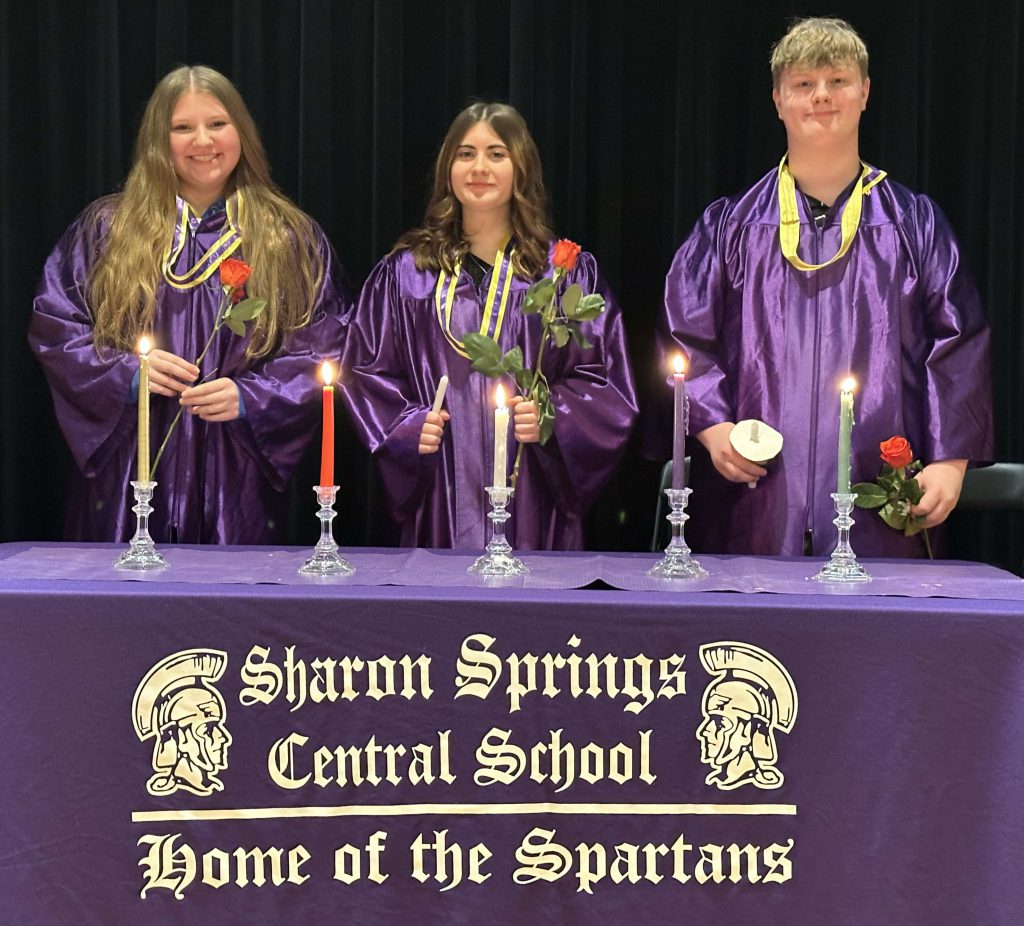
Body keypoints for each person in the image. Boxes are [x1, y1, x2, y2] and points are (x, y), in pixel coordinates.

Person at [662, 17, 992, 557]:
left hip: (882, 490)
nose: (821, 97)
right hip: (756, 493)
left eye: (838, 81)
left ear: (865, 92)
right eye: (803, 84)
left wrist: (950, 461)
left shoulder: (914, 223)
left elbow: (958, 341)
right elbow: (686, 335)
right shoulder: (730, 227)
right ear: (777, 99)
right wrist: (712, 428)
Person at [30, 66, 349, 544]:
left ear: (241, 130)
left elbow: (325, 343)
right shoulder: (109, 230)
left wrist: (251, 396)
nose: (203, 140)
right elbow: (57, 326)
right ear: (159, 139)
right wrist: (127, 373)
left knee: (229, 609)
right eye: (182, 127)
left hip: (236, 475)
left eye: (218, 123)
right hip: (129, 466)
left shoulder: (287, 238)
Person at [341, 102, 637, 549]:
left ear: (521, 167)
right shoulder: (406, 275)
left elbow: (607, 381)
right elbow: (363, 371)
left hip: (531, 493)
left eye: (496, 154)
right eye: (466, 154)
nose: (479, 167)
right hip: (441, 487)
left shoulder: (562, 274)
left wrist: (553, 415)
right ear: (448, 169)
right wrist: (406, 424)